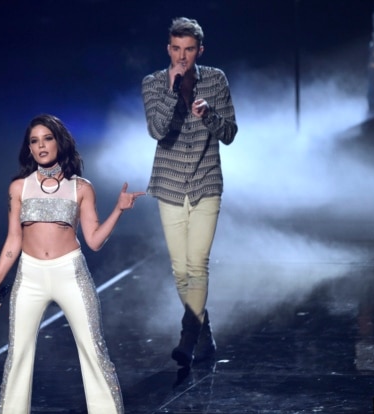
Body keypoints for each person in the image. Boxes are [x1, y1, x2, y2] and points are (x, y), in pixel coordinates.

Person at [0, 114, 144, 414]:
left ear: (59, 141)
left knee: (94, 351)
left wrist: (119, 210)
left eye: (47, 138)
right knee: (17, 356)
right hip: (29, 275)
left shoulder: (80, 187)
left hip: (70, 272)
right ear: (28, 148)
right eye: (34, 141)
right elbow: (13, 241)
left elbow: (94, 241)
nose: (41, 145)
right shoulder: (18, 187)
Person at [141, 17, 238, 367]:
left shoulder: (215, 80)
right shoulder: (153, 83)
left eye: (190, 50)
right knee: (180, 270)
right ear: (169, 49)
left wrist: (209, 116)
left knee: (197, 265)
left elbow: (229, 133)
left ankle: (188, 333)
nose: (183, 57)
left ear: (200, 50)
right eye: (177, 49)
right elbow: (156, 129)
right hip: (169, 184)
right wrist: (173, 89)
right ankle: (203, 329)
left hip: (205, 181)